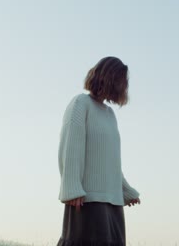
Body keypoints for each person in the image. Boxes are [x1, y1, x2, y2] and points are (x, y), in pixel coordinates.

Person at [57, 56, 141, 246]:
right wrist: (72, 188)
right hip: (87, 199)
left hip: (113, 202)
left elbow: (110, 161)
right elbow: (71, 146)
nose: (124, 86)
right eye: (122, 80)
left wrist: (125, 189)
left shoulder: (110, 114)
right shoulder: (81, 103)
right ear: (110, 77)